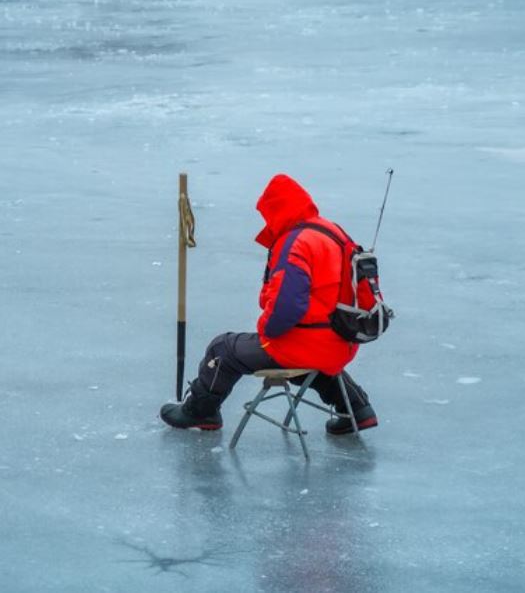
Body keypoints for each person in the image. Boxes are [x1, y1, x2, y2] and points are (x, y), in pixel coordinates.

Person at [160, 173, 378, 435]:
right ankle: (357, 408)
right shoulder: (332, 232)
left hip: (307, 344)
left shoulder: (295, 242)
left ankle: (200, 411)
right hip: (342, 343)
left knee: (223, 349)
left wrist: (266, 329)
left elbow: (286, 308)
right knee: (313, 358)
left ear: (276, 209)